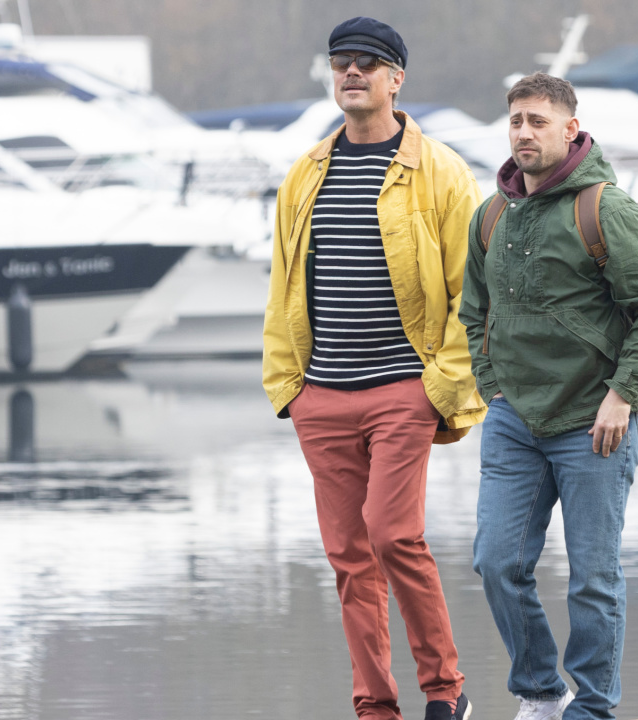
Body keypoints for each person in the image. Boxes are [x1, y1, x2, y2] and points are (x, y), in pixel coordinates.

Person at [262, 16, 485, 720]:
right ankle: (374, 705)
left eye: (368, 62)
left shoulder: (441, 169)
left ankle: (445, 691)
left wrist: (438, 389)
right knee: (348, 558)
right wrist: (289, 391)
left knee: (395, 537)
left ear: (397, 79)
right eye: (341, 63)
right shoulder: (305, 173)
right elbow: (283, 286)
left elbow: (469, 294)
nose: (352, 73)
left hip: (401, 393)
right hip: (321, 397)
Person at [460, 72, 638, 720]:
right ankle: (539, 689)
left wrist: (623, 394)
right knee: (497, 563)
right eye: (516, 121)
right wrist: (491, 386)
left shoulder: (605, 208)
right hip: (513, 419)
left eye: (537, 120)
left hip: (594, 421)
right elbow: (475, 310)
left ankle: (591, 708)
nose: (524, 132)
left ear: (570, 129)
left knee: (592, 580)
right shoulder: (492, 213)